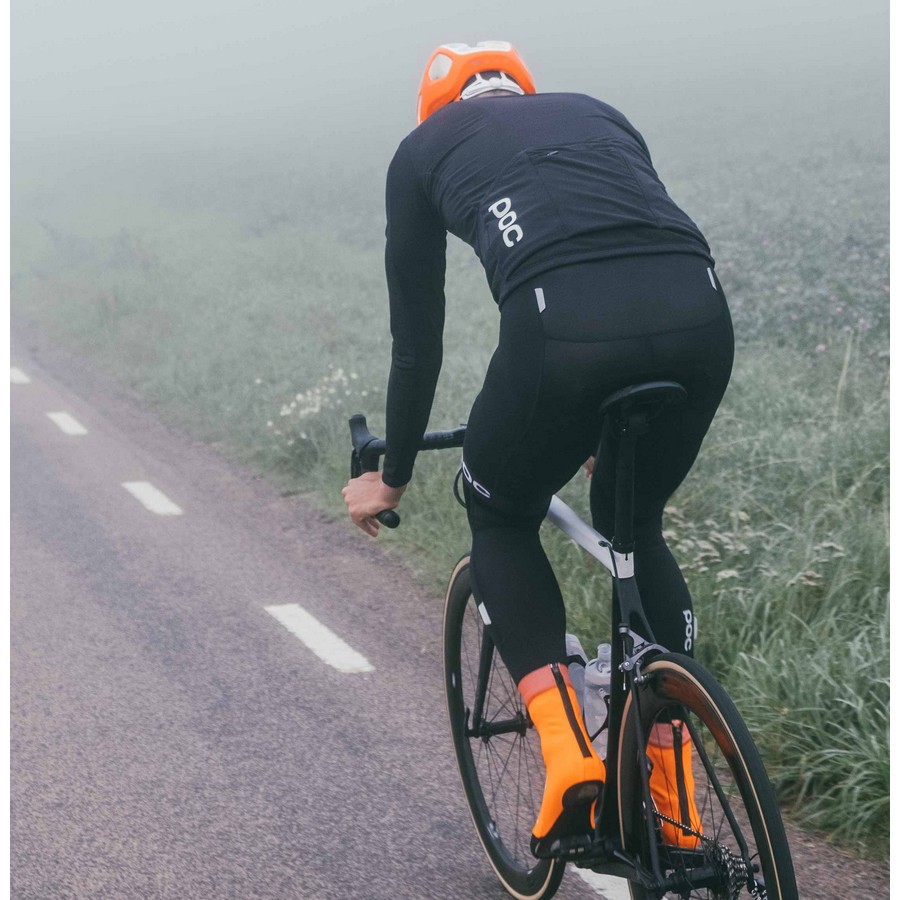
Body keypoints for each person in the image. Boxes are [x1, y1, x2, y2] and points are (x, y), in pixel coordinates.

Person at [342, 41, 733, 857]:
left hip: (561, 332)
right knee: (635, 523)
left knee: (501, 513)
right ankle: (674, 790)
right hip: (699, 316)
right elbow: (622, 242)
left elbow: (417, 345)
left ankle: (567, 759)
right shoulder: (597, 111)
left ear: (436, 108)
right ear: (522, 90)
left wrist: (393, 474)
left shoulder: (421, 149)